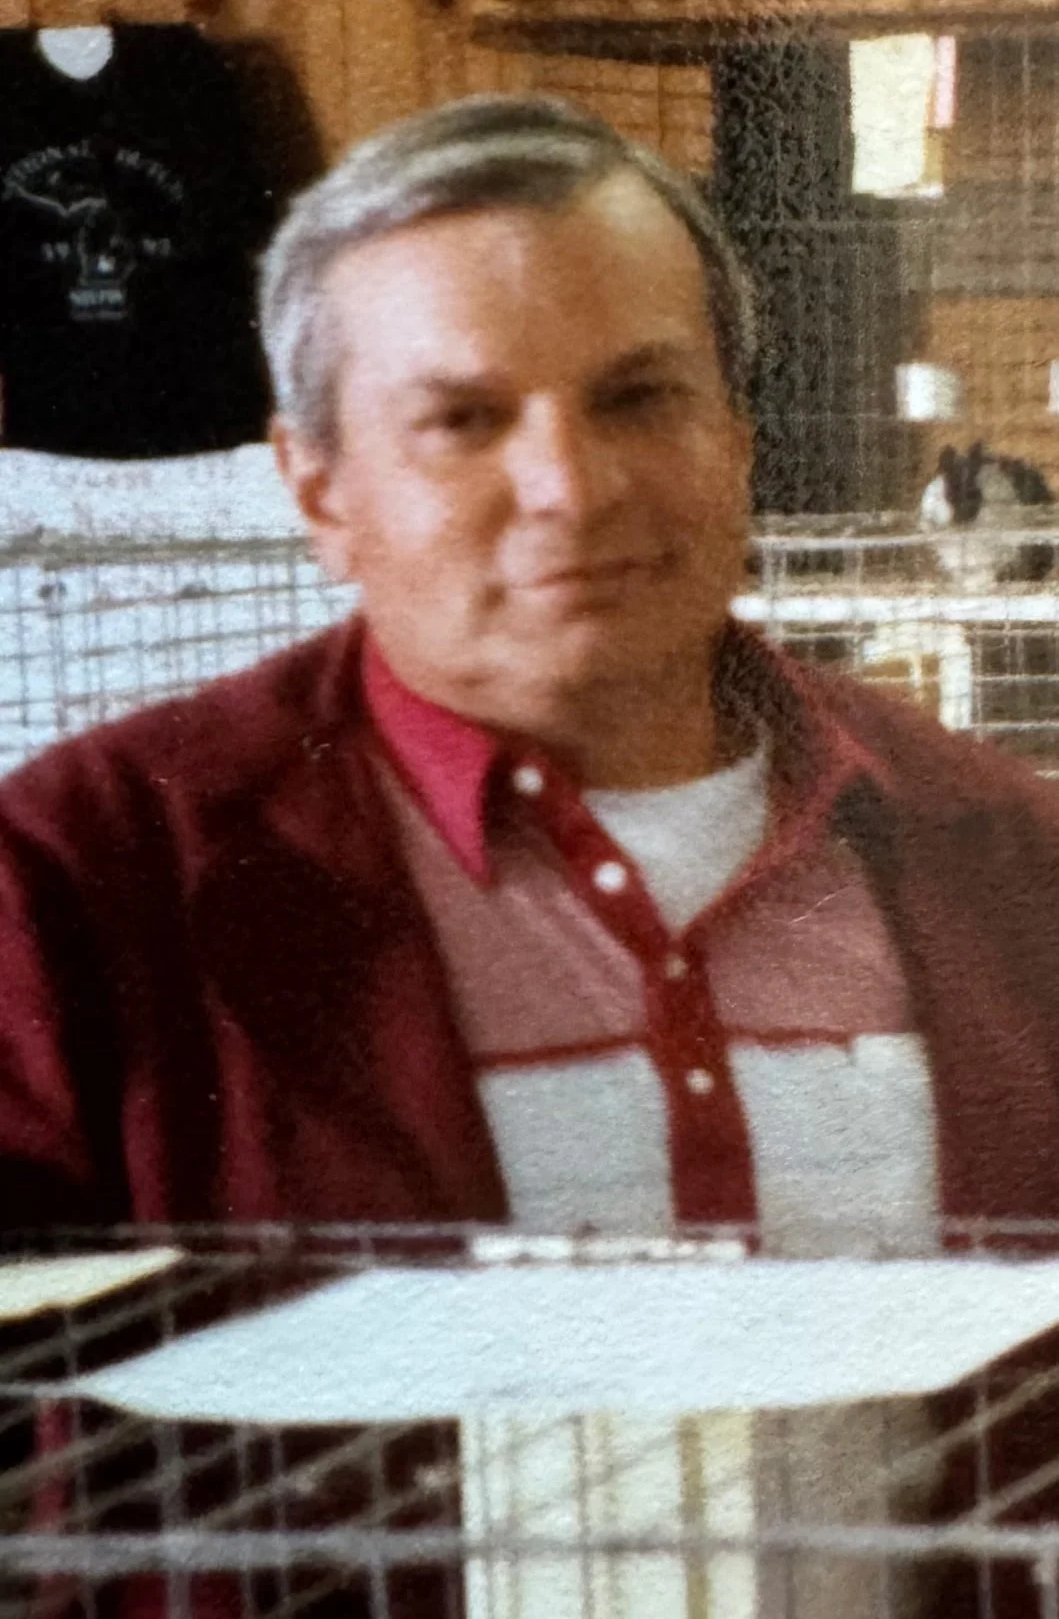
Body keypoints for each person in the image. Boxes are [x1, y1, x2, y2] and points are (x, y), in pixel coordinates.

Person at [2, 92, 1059, 1617]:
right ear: (316, 488)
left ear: (737, 437)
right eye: (464, 420)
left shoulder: (1005, 854)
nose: (572, 484)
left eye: (640, 397)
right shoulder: (83, 874)